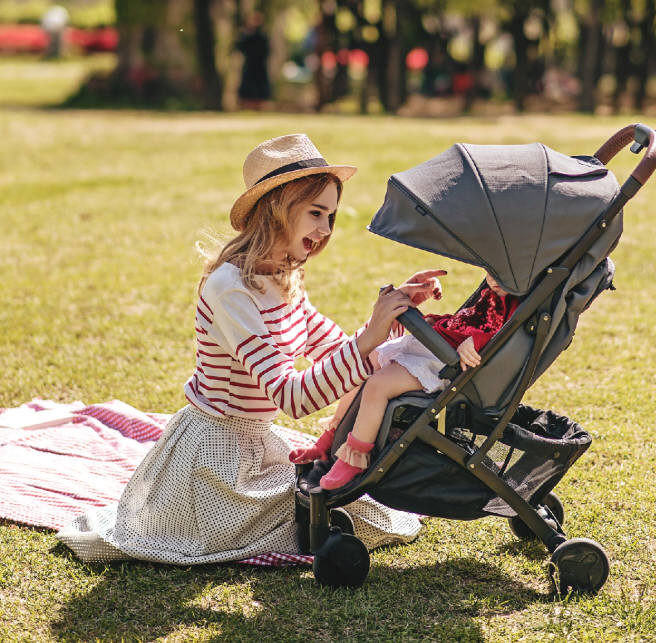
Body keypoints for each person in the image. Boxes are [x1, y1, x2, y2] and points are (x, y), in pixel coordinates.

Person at [57, 133, 442, 563]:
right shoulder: (231, 289)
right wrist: (369, 335)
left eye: (331, 216)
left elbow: (336, 349)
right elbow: (292, 397)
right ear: (278, 208)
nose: (325, 229)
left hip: (257, 442)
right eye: (316, 213)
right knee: (318, 507)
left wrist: (390, 319)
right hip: (212, 457)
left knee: (357, 502)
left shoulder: (283, 276)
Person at [290, 272, 519, 490]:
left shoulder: (516, 303)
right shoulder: (492, 292)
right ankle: (331, 436)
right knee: (366, 361)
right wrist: (437, 321)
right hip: (433, 345)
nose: (492, 277)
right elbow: (466, 321)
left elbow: (504, 337)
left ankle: (355, 458)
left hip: (442, 364)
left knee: (378, 385)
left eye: (502, 273)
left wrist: (476, 341)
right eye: (490, 270)